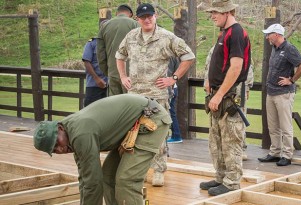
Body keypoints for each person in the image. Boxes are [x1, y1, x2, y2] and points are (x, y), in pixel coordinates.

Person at [32, 94, 172, 205]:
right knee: (108, 177)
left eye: (57, 142)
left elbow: (93, 182)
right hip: (133, 126)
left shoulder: (81, 134)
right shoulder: (71, 133)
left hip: (152, 120)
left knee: (127, 181)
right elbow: (86, 179)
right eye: (55, 150)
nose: (60, 149)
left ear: (60, 128)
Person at [115, 3, 195, 186]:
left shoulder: (166, 37)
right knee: (133, 134)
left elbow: (188, 56)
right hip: (134, 96)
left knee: (158, 135)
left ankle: (159, 170)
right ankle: (138, 171)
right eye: (143, 17)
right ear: (137, 19)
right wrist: (123, 76)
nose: (147, 19)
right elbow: (119, 55)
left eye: (150, 16)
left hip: (157, 95)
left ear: (155, 16)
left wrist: (173, 78)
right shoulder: (131, 36)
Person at [200, 0, 251, 196]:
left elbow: (236, 67)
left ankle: (231, 182)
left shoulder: (236, 32)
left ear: (229, 12)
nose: (212, 15)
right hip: (218, 94)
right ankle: (221, 177)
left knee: (231, 140)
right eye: (211, 11)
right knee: (217, 139)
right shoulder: (225, 33)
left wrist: (220, 94)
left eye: (216, 12)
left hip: (229, 96)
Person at [257, 24, 301, 166]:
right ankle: (275, 152)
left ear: (277, 35)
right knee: (273, 126)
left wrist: (291, 80)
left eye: (269, 34)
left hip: (284, 94)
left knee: (285, 126)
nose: (267, 37)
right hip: (271, 92)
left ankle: (287, 155)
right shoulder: (274, 49)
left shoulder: (289, 49)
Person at [204, 46, 254, 160]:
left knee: (237, 123)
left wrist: (247, 88)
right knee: (217, 123)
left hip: (237, 92)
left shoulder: (240, 49)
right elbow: (208, 69)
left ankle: (241, 149)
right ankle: (221, 151)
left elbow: (248, 69)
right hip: (216, 91)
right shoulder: (214, 49)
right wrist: (208, 88)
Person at [97, 4, 138, 96]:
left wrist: (107, 71)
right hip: (131, 74)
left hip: (112, 72)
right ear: (130, 14)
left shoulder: (104, 26)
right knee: (132, 105)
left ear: (116, 13)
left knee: (114, 106)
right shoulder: (135, 24)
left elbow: (100, 53)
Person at [82, 34, 108, 107]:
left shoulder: (112, 42)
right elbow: (86, 61)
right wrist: (97, 79)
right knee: (90, 110)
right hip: (94, 85)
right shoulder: (92, 42)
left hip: (109, 86)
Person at [167, 57, 183, 143]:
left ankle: (176, 136)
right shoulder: (174, 57)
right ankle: (176, 135)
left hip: (170, 89)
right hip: (173, 87)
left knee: (170, 112)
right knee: (171, 112)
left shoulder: (171, 57)